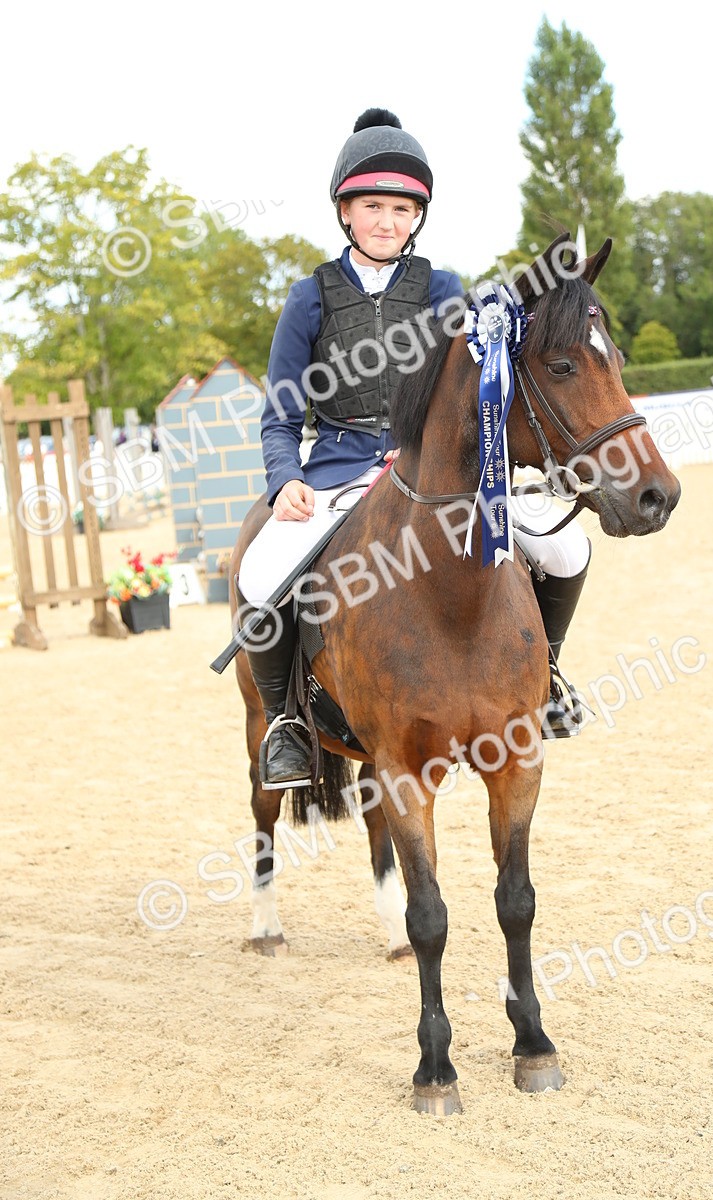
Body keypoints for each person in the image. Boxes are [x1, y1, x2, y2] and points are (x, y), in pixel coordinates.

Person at [238, 108, 591, 789]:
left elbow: (478, 387)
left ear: (417, 217)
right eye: (373, 206)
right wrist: (285, 480)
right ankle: (285, 721)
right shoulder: (308, 299)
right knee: (259, 574)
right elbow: (281, 414)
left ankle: (545, 674)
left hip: (434, 474)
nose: (388, 222)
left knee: (566, 549)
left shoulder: (443, 290)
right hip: (338, 472)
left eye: (402, 209)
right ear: (346, 212)